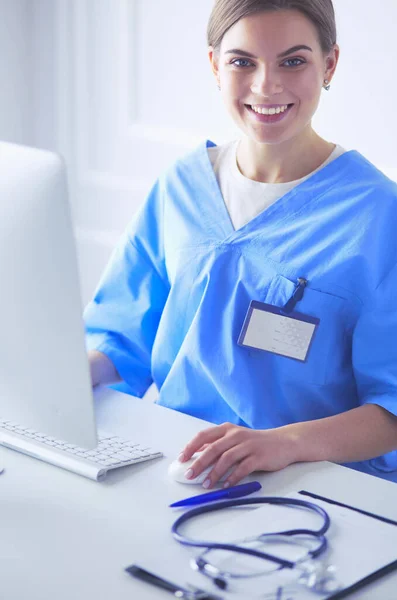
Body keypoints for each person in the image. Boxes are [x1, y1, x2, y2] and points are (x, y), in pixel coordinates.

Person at [84, 0, 397, 487]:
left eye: (293, 61)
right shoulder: (181, 187)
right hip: (181, 463)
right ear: (214, 64)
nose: (266, 86)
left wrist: (285, 443)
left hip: (314, 486)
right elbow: (123, 336)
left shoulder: (379, 215)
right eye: (242, 61)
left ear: (329, 63)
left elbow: (391, 409)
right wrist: (59, 379)